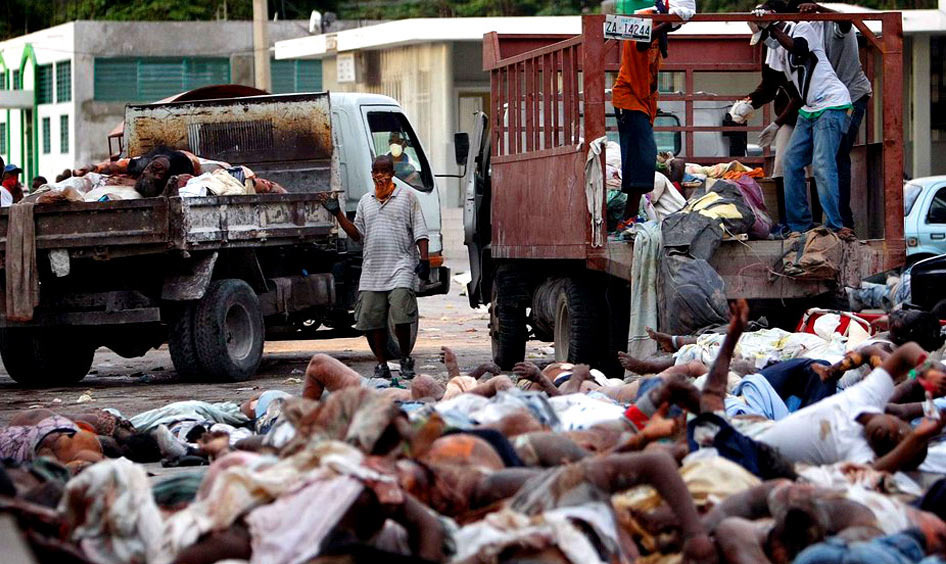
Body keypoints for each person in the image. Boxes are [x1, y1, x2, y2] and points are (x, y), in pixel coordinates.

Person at [317, 155, 430, 379]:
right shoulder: (366, 201)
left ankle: (405, 357)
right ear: (372, 174)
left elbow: (420, 232)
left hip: (401, 266)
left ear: (393, 173)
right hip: (372, 270)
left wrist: (424, 259)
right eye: (376, 172)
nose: (380, 176)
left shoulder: (408, 197)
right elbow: (357, 234)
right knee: (372, 320)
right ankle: (382, 364)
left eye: (384, 171)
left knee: (401, 316)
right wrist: (337, 213)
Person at [758, 0, 853, 234]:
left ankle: (834, 224)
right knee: (791, 162)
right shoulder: (776, 45)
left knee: (822, 165)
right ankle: (799, 224)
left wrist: (771, 26)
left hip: (832, 104)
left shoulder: (802, 29)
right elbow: (775, 83)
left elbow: (799, 48)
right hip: (809, 108)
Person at [798, 2, 873, 232]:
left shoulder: (833, 24)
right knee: (819, 157)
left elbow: (845, 22)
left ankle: (841, 220)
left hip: (851, 96)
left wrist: (819, 9)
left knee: (836, 154)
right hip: (826, 101)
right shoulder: (805, 27)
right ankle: (824, 218)